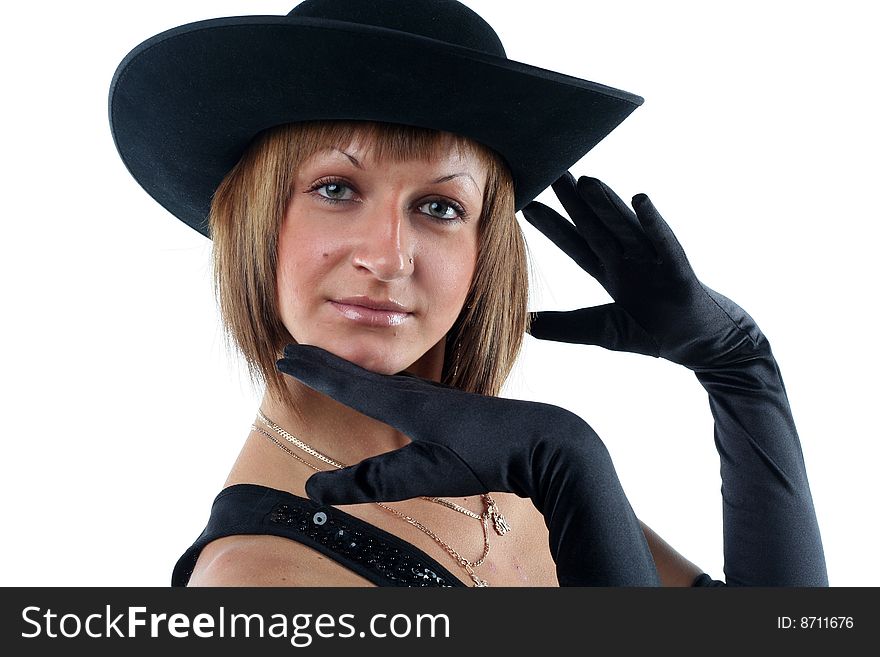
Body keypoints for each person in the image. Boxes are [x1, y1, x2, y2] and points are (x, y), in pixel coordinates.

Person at [108, 0, 828, 587]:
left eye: (440, 207)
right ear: (255, 222)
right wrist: (574, 460)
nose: (389, 257)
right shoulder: (260, 585)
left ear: (485, 248)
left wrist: (742, 371)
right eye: (336, 188)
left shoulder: (512, 486)